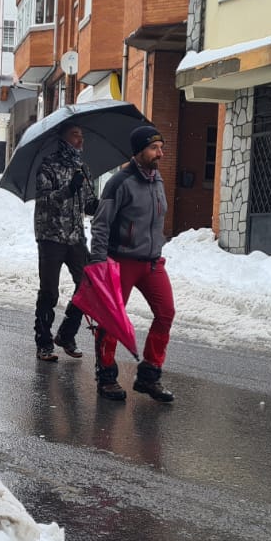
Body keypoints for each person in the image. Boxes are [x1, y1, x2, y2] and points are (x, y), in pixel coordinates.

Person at [88, 124, 175, 403]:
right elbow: (101, 226)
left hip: (151, 263)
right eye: (154, 148)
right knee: (113, 320)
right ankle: (106, 377)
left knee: (166, 313)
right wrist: (100, 263)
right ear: (139, 151)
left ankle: (149, 375)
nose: (160, 153)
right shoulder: (120, 183)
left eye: (161, 147)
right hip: (121, 261)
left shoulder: (157, 180)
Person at [32, 125, 98, 361]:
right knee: (49, 291)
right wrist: (69, 189)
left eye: (82, 134)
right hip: (51, 236)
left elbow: (88, 204)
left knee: (88, 286)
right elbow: (45, 201)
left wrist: (101, 206)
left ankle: (66, 334)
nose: (80, 139)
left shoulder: (82, 167)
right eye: (75, 134)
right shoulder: (48, 166)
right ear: (63, 137)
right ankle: (44, 342)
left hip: (76, 237)